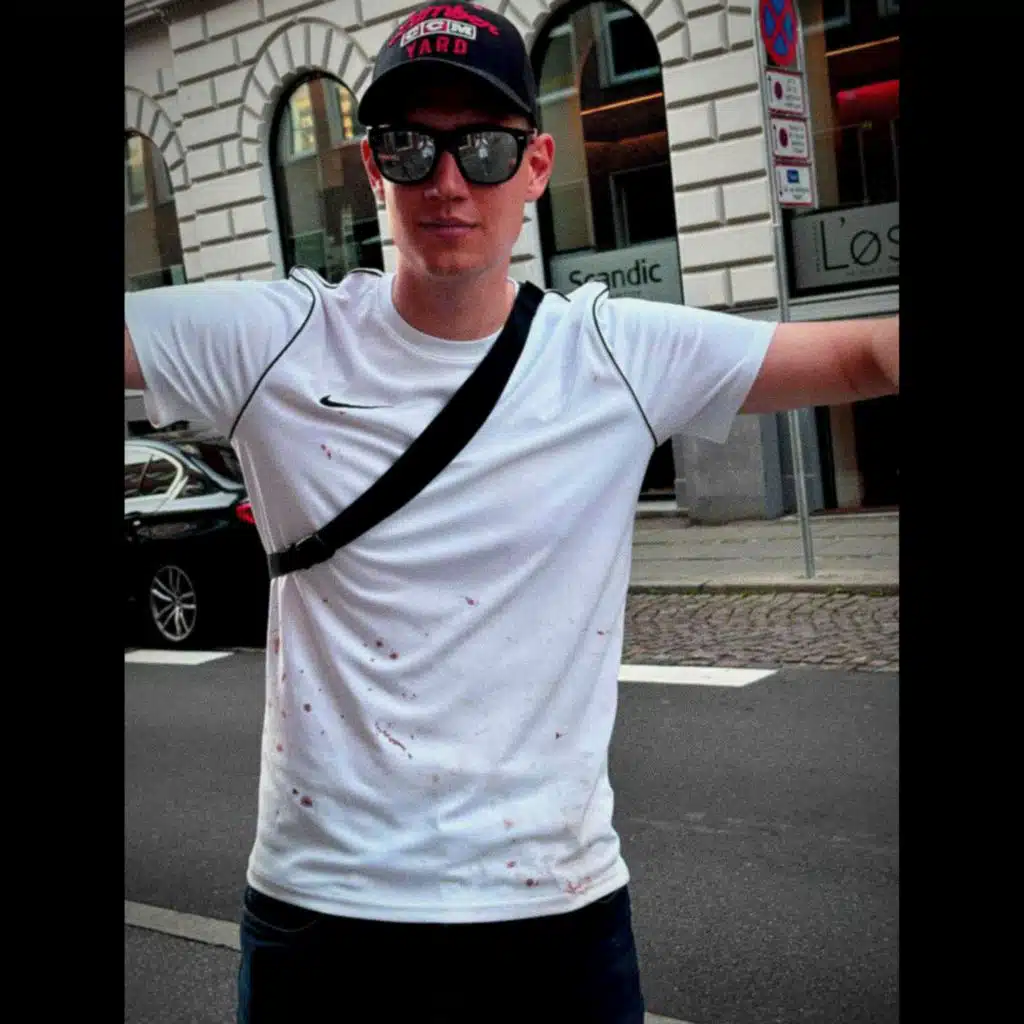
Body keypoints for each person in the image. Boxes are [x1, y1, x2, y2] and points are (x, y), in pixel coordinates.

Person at [124, 4, 898, 1021]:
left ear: (535, 166)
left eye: (483, 148)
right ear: (372, 168)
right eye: (409, 146)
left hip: (554, 916)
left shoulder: (612, 352)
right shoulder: (280, 339)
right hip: (326, 913)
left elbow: (866, 355)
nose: (447, 181)